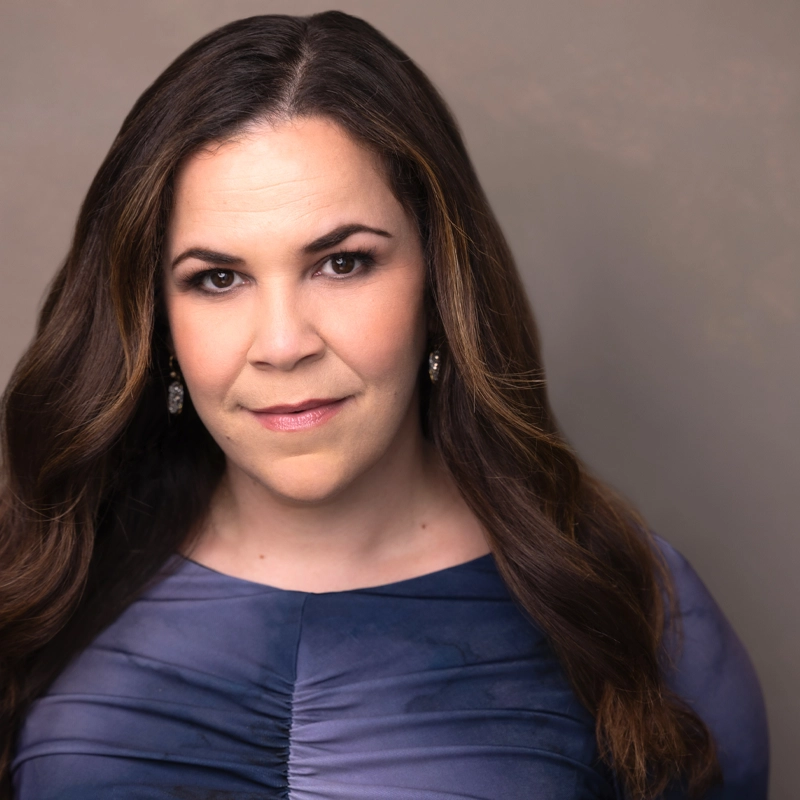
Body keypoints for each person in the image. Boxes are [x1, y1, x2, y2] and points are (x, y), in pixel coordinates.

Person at [0, 11, 768, 800]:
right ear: (156, 316)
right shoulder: (39, 577)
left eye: (341, 263)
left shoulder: (637, 608)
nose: (283, 342)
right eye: (218, 279)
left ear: (439, 282)